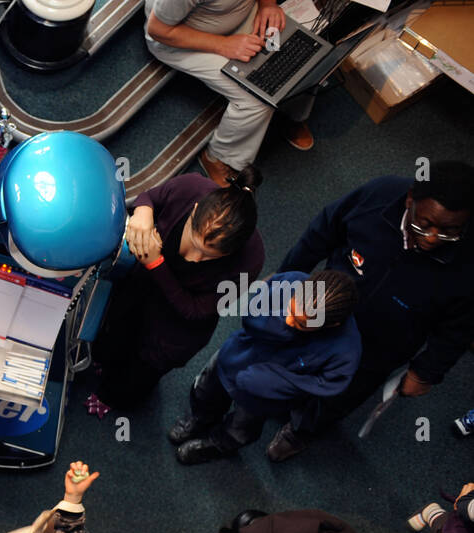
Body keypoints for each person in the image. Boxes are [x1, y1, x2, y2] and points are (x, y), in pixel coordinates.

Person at [272, 161, 474, 460]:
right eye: (425, 224)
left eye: (449, 231)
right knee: (294, 355)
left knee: (340, 395)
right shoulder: (379, 195)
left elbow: (459, 328)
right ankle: (280, 392)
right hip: (324, 309)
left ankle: (302, 429)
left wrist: (426, 372)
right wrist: (284, 281)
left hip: (380, 348)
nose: (433, 238)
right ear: (410, 200)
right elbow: (321, 233)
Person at [90, 170, 265, 413]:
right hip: (140, 290)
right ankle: (106, 362)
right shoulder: (190, 187)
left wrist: (156, 264)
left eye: (209, 255)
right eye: (195, 240)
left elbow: (195, 311)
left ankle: (111, 397)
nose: (194, 257)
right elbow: (149, 197)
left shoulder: (251, 260)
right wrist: (143, 212)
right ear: (194, 210)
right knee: (117, 332)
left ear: (232, 252)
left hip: (173, 329)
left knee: (139, 372)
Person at [171, 269, 361, 464]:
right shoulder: (291, 281)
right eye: (291, 310)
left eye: (301, 323)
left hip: (265, 394)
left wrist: (271, 381)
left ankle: (217, 445)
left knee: (241, 427)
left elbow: (324, 385)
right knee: (205, 390)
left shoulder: (346, 352)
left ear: (331, 324)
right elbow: (251, 314)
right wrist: (283, 328)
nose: (289, 319)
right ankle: (200, 419)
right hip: (239, 354)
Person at [145, 0, 314, 185]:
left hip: (241, 15)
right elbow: (158, 30)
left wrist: (268, 5)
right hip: (182, 37)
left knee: (304, 51)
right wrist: (223, 44)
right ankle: (219, 157)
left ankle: (288, 113)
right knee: (255, 96)